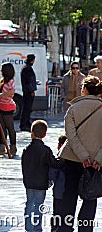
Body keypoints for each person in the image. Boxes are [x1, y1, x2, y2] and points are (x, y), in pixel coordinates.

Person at [57, 75, 102, 232]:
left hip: (72, 159)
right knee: (91, 197)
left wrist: (83, 156)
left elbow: (71, 136)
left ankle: (65, 228)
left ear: (84, 90)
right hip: (96, 162)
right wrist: (98, 159)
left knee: (69, 196)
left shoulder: (73, 108)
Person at [21, 120, 63, 232]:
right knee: (39, 205)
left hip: (29, 182)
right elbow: (55, 163)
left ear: (32, 133)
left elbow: (24, 166)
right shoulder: (46, 150)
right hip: (41, 183)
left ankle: (28, 227)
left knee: (29, 203)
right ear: (45, 134)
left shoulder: (26, 149)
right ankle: (37, 227)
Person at [0, 62, 17, 156]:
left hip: (7, 107)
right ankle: (2, 147)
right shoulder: (2, 81)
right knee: (2, 128)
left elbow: (12, 92)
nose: (0, 71)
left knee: (10, 128)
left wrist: (0, 95)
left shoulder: (10, 81)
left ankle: (13, 147)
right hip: (1, 106)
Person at [50, 134, 67, 232]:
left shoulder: (58, 160)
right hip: (69, 191)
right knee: (67, 213)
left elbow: (52, 175)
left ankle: (55, 229)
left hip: (58, 192)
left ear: (60, 145)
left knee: (56, 213)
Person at [20, 54, 37, 132]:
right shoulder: (27, 69)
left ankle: (26, 122)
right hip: (28, 92)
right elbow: (28, 81)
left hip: (27, 91)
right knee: (27, 108)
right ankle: (24, 124)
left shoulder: (26, 68)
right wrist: (32, 90)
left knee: (27, 108)